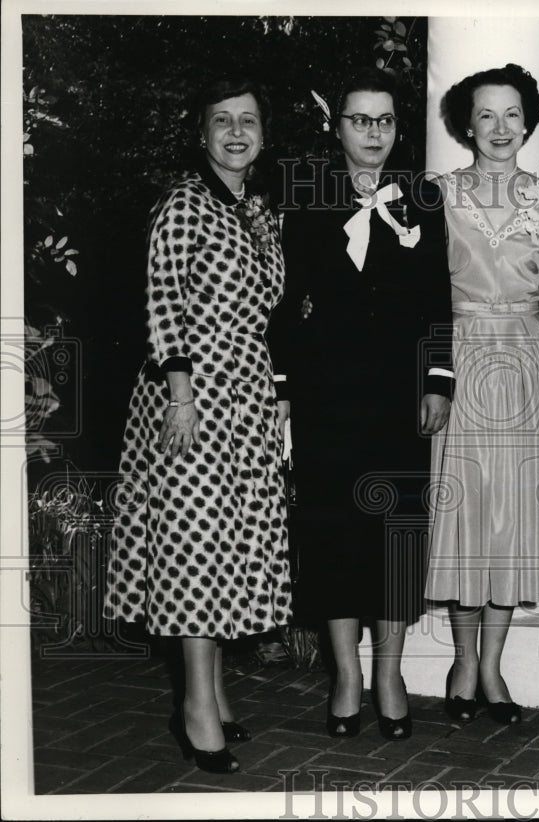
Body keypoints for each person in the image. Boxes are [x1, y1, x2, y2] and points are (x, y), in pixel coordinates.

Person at [104, 78, 290, 774]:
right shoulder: (182, 203)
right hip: (192, 397)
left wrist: (274, 393)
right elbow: (163, 302)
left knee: (229, 544)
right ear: (201, 133)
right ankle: (195, 711)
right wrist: (181, 396)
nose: (236, 133)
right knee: (192, 548)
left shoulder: (256, 209)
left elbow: (264, 312)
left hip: (244, 394)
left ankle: (212, 692)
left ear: (263, 136)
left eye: (248, 121)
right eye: (222, 121)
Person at [268, 68, 453, 742]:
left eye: (383, 121)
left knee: (397, 534)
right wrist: (287, 389)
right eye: (358, 120)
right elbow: (286, 304)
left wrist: (439, 379)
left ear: (396, 130)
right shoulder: (308, 198)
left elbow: (440, 300)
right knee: (332, 533)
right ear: (337, 127)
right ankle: (346, 675)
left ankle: (391, 675)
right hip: (327, 398)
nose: (372, 132)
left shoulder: (423, 201)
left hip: (399, 399)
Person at [425, 63, 539, 726]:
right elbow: (415, 290)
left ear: (528, 120)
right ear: (466, 123)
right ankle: (461, 663)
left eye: (512, 114)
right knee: (465, 513)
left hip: (527, 370)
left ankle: (490, 668)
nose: (499, 127)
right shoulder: (436, 196)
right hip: (458, 365)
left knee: (511, 519)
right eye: (485, 114)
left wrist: (533, 336)